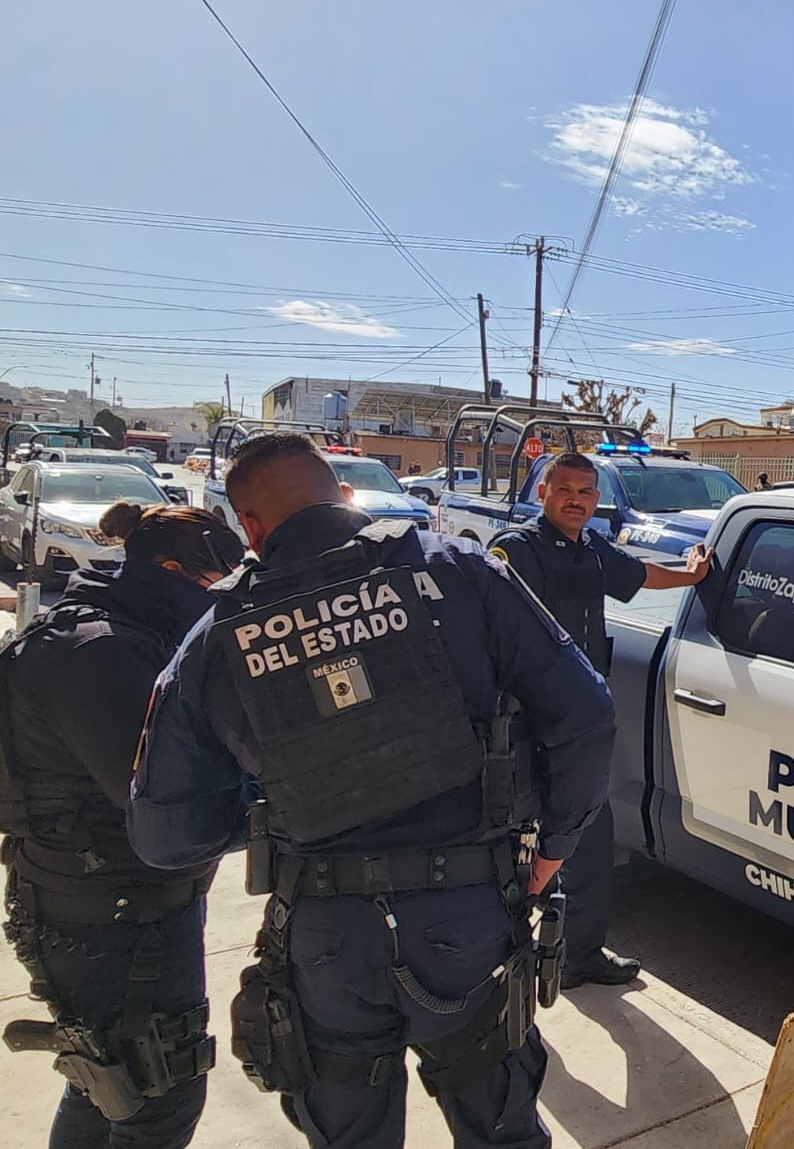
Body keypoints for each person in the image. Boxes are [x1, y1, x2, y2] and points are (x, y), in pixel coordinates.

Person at [127, 433, 616, 1149]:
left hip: (328, 936)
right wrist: (554, 849)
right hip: (469, 918)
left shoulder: (216, 634)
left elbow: (166, 835)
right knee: (501, 1129)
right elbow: (587, 715)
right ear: (341, 493)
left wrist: (284, 798)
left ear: (249, 526)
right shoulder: (459, 569)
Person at [1, 502, 244, 1149]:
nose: (220, 601)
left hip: (125, 903)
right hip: (104, 914)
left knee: (107, 1086)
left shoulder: (135, 629)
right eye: (213, 584)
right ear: (170, 570)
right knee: (157, 1098)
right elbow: (161, 800)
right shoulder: (99, 652)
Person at [487, 452, 709, 988]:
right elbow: (491, 627)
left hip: (580, 718)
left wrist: (692, 574)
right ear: (543, 493)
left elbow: (640, 575)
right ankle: (498, 950)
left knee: (588, 831)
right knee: (517, 836)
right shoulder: (516, 550)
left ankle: (578, 955)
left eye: (586, 492)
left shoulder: (591, 548)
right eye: (565, 489)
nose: (576, 500)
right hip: (528, 716)